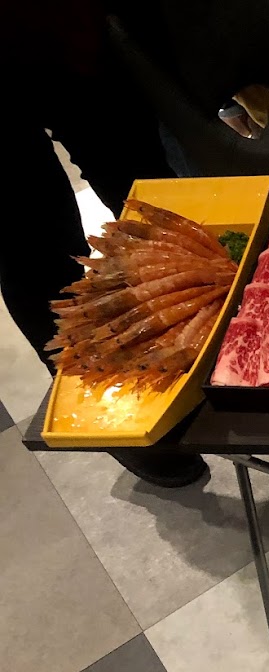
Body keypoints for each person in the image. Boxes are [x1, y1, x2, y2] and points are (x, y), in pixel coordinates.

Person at [2, 0, 208, 486]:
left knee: (153, 201)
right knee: (33, 251)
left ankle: (209, 353)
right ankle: (111, 413)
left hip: (61, 27)